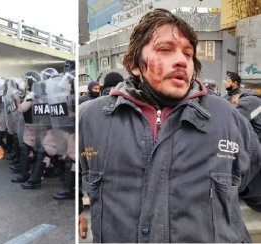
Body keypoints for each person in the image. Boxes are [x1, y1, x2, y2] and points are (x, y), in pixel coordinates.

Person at [79, 8, 261, 242]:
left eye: (188, 54)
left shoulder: (228, 119)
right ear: (135, 64)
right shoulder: (90, 120)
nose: (181, 60)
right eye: (165, 50)